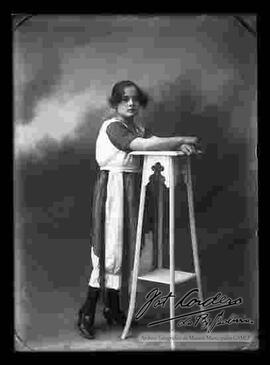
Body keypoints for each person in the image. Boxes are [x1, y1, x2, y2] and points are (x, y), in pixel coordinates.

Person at [77, 80, 199, 339]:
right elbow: (143, 147)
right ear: (115, 103)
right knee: (111, 248)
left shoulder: (138, 127)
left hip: (135, 190)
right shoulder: (112, 128)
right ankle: (87, 311)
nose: (130, 103)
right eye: (124, 99)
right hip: (114, 189)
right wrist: (179, 139)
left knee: (130, 247)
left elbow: (153, 141)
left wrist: (177, 146)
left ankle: (113, 309)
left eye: (134, 99)